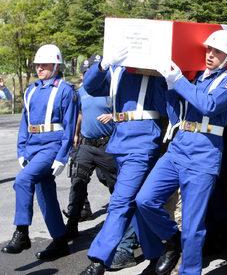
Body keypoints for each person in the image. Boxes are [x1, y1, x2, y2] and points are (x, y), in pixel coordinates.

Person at [134, 30, 227, 275]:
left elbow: (208, 105)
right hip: (179, 147)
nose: (210, 55)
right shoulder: (197, 79)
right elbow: (172, 112)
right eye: (209, 50)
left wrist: (179, 80)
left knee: (193, 226)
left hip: (204, 154)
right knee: (145, 200)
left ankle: (189, 271)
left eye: (217, 52)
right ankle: (172, 238)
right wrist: (167, 84)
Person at [79, 46, 168, 275]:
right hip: (120, 141)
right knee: (135, 202)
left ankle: (99, 260)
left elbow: (164, 106)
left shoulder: (152, 71)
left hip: (143, 141)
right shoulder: (117, 70)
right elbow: (91, 86)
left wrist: (160, 73)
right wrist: (102, 65)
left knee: (120, 201)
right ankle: (157, 254)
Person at [2, 44, 79, 260]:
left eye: (44, 64)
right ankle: (60, 240)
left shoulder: (65, 90)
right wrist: (21, 150)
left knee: (22, 180)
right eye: (37, 65)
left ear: (56, 65)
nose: (39, 68)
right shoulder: (31, 90)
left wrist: (62, 156)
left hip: (51, 146)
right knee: (45, 193)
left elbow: (70, 125)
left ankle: (22, 232)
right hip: (33, 146)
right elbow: (24, 123)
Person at [63, 56, 138, 270]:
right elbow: (79, 114)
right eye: (85, 72)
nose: (87, 75)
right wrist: (75, 136)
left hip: (107, 145)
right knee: (78, 178)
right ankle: (72, 224)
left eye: (90, 72)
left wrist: (114, 117)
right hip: (86, 144)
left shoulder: (110, 88)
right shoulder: (81, 91)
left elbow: (124, 111)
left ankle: (125, 226)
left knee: (115, 185)